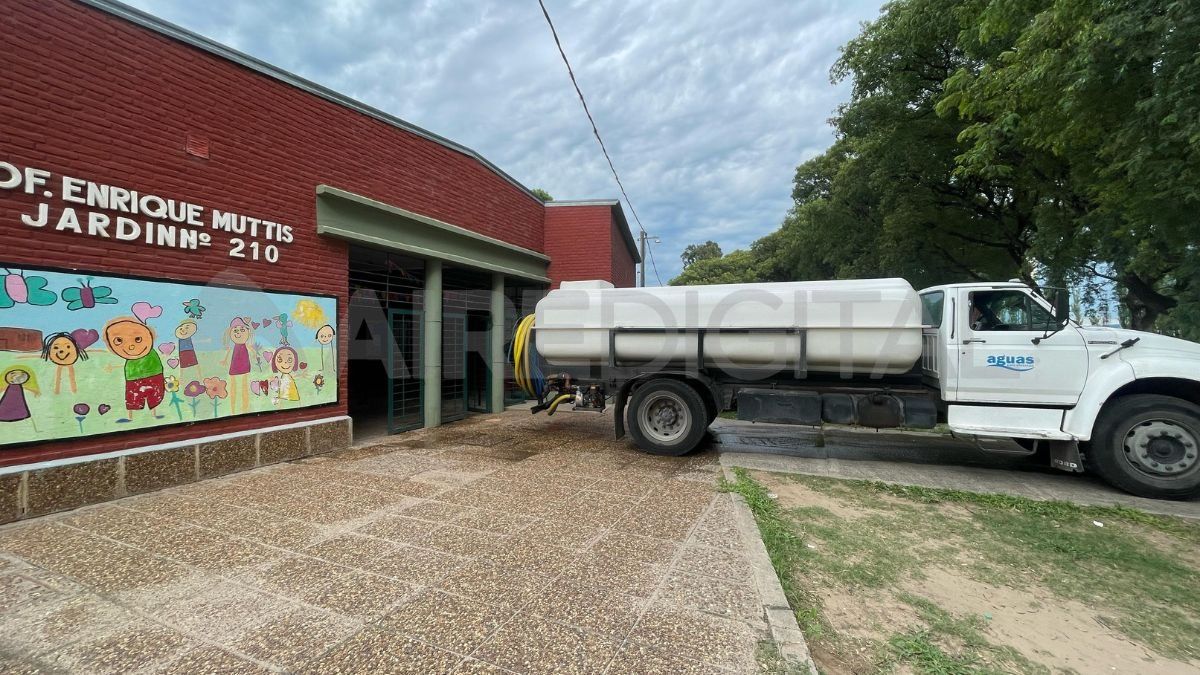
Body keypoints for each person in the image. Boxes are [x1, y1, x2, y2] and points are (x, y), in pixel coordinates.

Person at [103, 317, 164, 422]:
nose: (131, 347)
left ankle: (154, 414)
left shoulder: (152, 356)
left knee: (154, 396)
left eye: (137, 339)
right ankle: (131, 417)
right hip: (133, 377)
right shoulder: (130, 363)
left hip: (154, 374)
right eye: (118, 340)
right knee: (133, 398)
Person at [221, 317, 258, 414]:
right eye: (235, 330)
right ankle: (233, 409)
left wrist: (255, 355)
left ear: (248, 332)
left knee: (244, 386)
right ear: (230, 333)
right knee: (233, 386)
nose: (238, 333)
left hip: (244, 365)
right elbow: (229, 353)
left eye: (242, 330)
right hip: (234, 365)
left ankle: (245, 407)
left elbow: (253, 351)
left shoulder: (246, 346)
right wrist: (224, 361)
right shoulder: (234, 347)